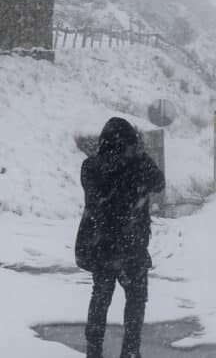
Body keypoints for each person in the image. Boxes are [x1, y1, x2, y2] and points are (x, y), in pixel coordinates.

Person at [76, 117, 165, 358]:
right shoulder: (136, 167)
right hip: (130, 248)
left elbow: (98, 199)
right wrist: (141, 158)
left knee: (100, 299)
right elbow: (159, 183)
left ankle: (94, 351)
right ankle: (130, 352)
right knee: (135, 302)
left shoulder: (90, 167)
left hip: (103, 247)